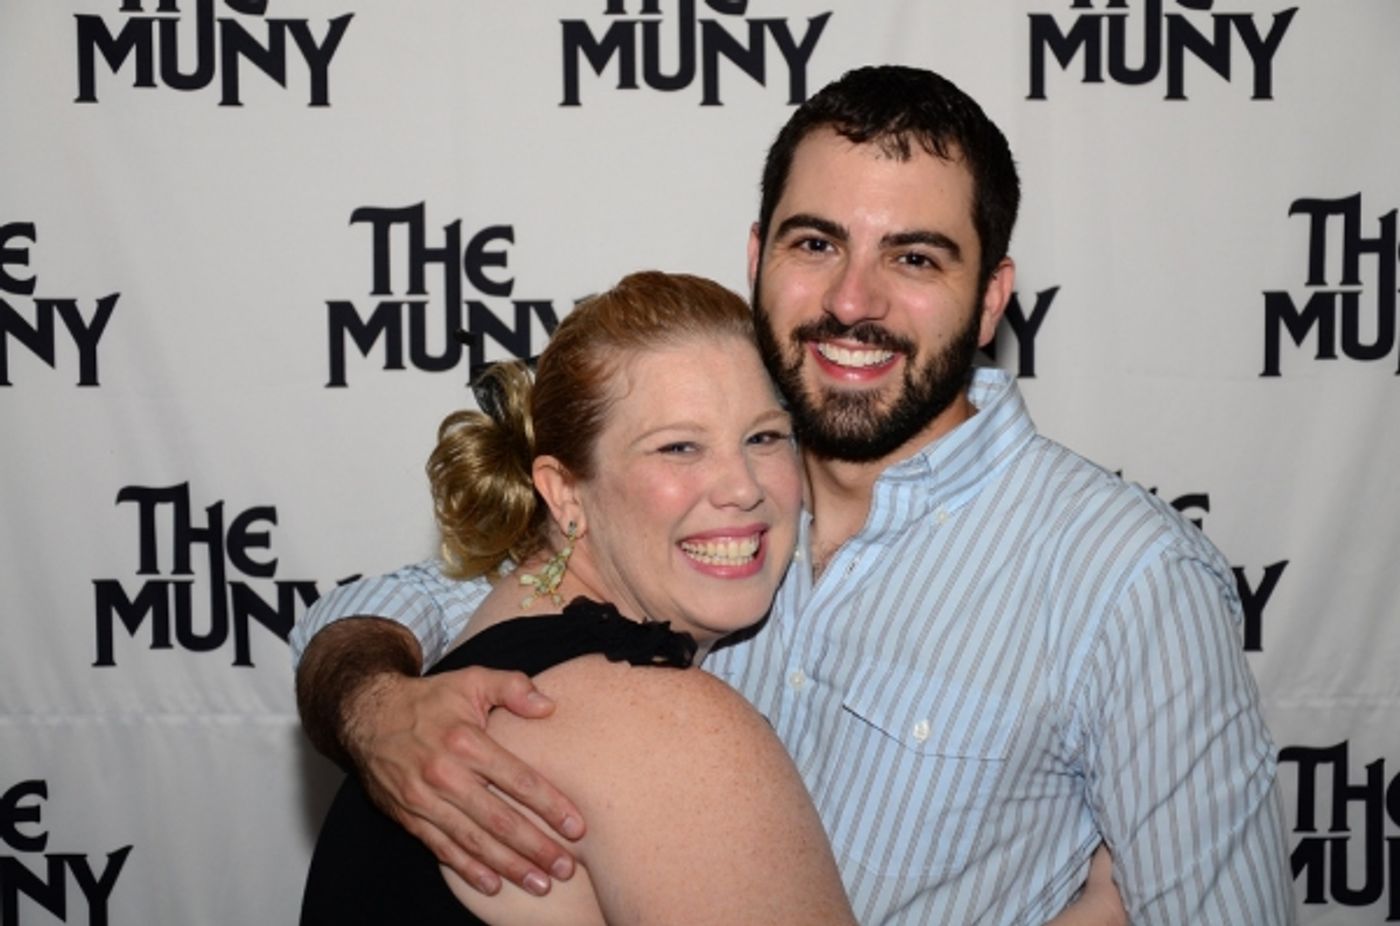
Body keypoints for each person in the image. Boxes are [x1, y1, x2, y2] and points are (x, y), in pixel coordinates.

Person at [294, 66, 1294, 923]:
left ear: (991, 296)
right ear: (757, 257)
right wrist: (373, 704)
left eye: (913, 257)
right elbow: (412, 610)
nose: (852, 300)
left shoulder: (1129, 581)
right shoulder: (706, 504)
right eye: (815, 243)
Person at [300, 270, 859, 923]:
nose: (742, 487)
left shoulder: (483, 647)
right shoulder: (671, 731)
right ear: (564, 493)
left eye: (764, 437)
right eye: (679, 447)